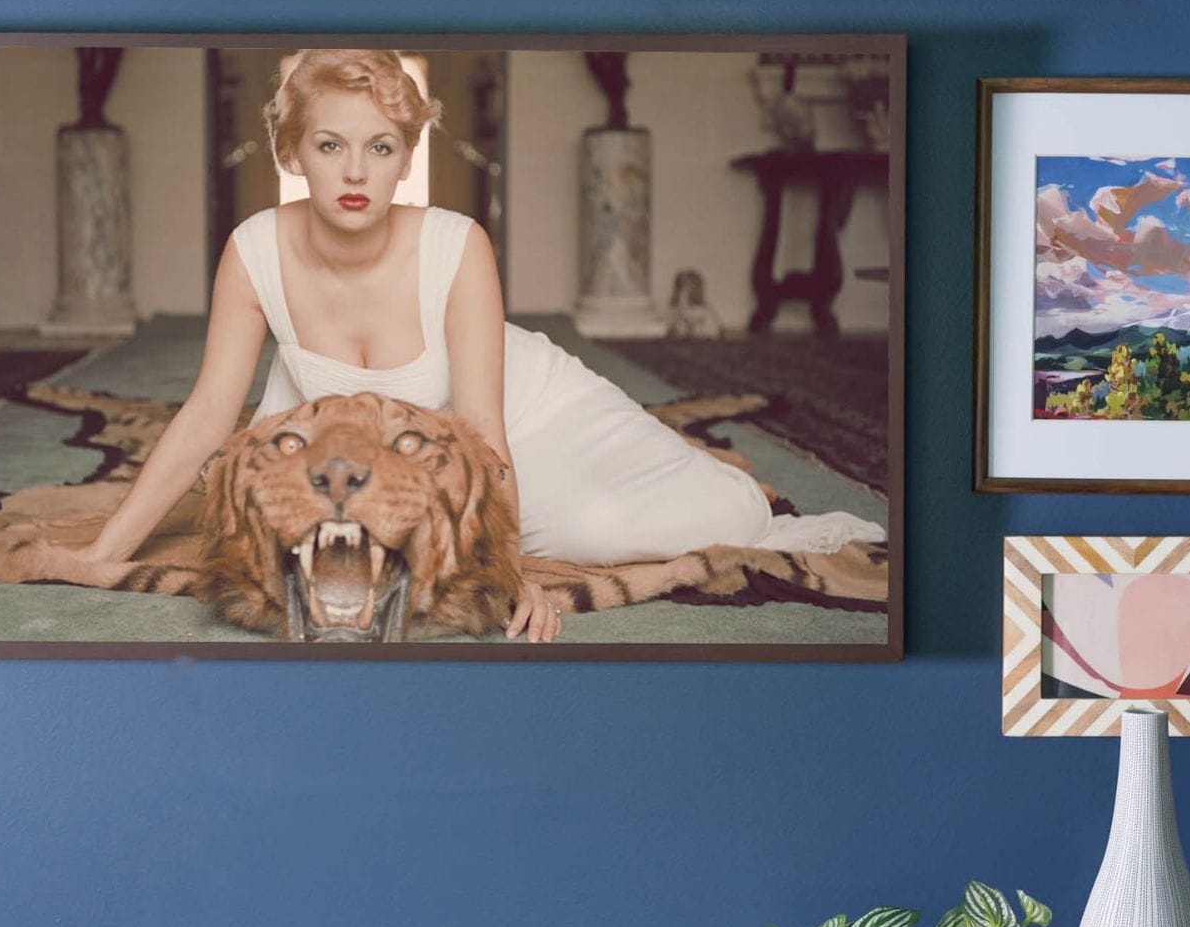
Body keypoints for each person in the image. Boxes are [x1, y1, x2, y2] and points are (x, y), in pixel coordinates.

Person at [77, 53, 879, 640]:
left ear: (406, 156)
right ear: (292, 152)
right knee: (274, 533)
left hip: (528, 412)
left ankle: (723, 481)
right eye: (330, 146)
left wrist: (512, 577)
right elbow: (209, 410)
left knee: (596, 531)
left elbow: (485, 429)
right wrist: (105, 555)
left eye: (381, 147)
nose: (356, 170)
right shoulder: (255, 247)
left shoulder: (456, 243)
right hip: (371, 442)